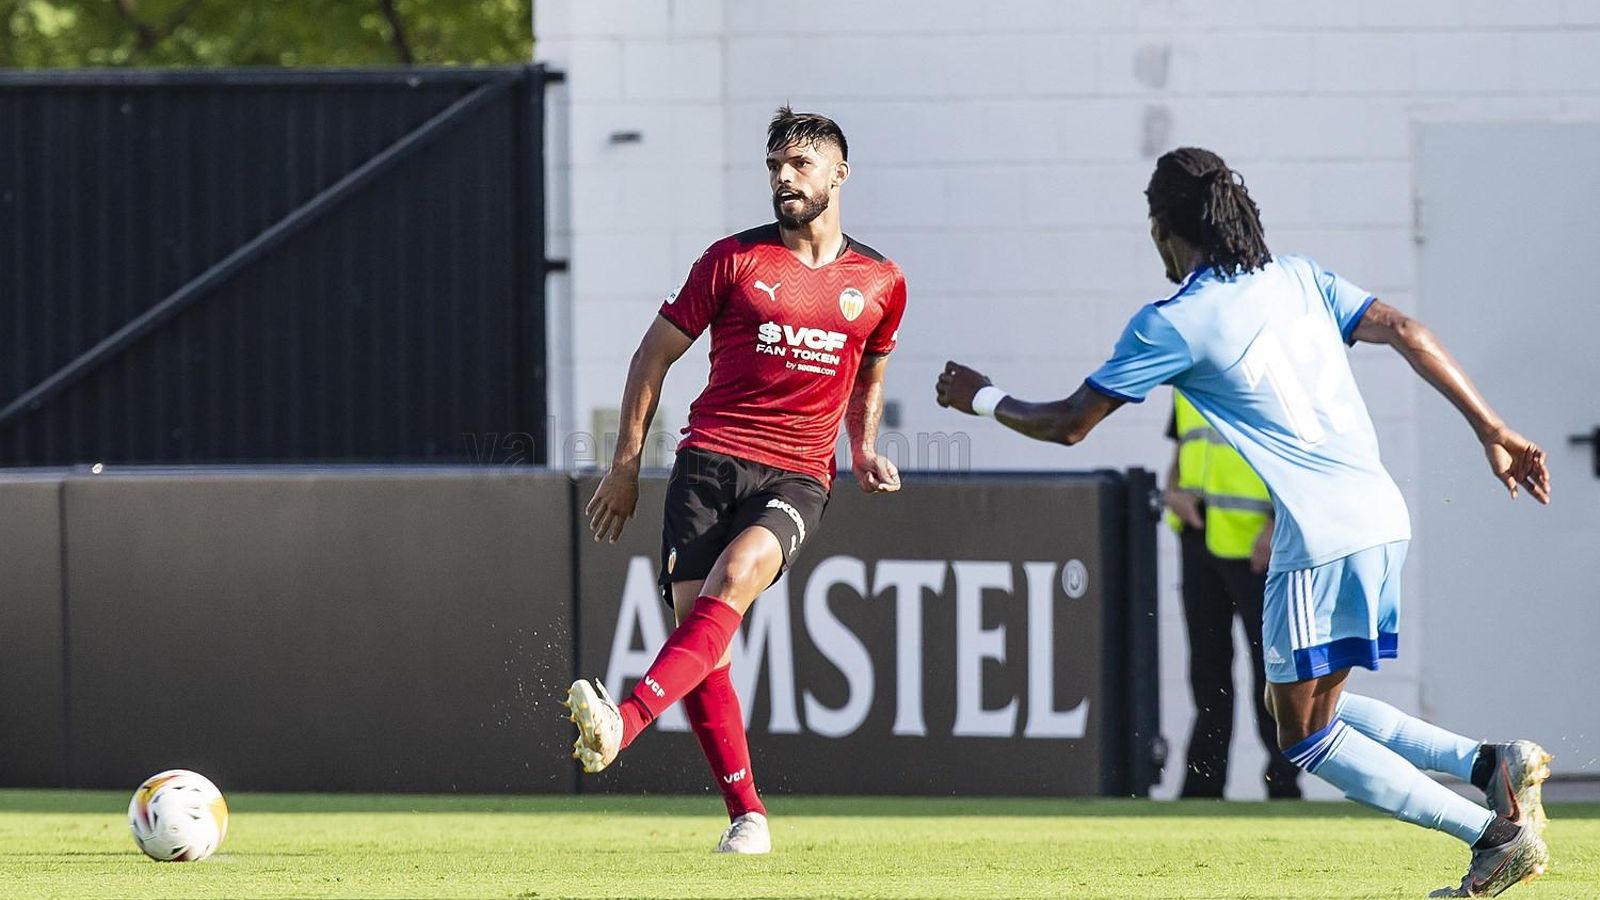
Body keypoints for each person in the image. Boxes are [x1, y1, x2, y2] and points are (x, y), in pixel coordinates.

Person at [936, 147, 1552, 897]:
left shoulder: (1173, 321)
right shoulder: (1299, 276)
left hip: (1315, 536)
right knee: (1307, 700)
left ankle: (1494, 837)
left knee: (1306, 739)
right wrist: (1493, 428)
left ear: (1165, 228)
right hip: (1383, 516)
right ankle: (1491, 765)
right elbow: (1411, 332)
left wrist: (981, 398)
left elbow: (1069, 423)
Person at [564, 107, 907, 855]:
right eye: (774, 166)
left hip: (798, 474)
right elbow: (651, 357)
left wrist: (864, 447)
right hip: (707, 462)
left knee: (736, 580)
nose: (784, 178)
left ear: (839, 174)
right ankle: (748, 816)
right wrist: (626, 469)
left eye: (800, 165)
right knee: (707, 646)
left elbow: (869, 370)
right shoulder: (732, 261)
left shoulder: (880, 280)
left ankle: (624, 722)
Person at [1165, 390, 1301, 799]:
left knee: (1270, 672)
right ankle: (1202, 789)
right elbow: (1182, 452)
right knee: (1207, 672)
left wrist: (1278, 523)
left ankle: (1284, 787)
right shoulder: (1184, 383)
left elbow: (1295, 458)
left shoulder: (1263, 379)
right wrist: (1173, 491)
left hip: (1257, 548)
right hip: (1199, 538)